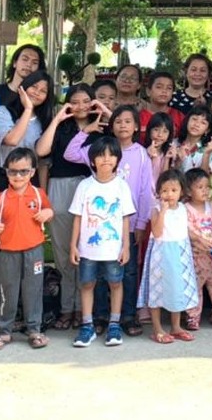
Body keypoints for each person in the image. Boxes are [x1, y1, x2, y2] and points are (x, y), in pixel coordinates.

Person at [0, 70, 53, 335]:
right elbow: (10, 140)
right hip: (1, 177)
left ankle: (28, 315)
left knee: (27, 250)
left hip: (28, 181)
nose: (36, 93)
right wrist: (26, 110)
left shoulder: (42, 120)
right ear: (23, 86)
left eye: (43, 90)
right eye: (33, 87)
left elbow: (41, 155)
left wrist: (39, 192)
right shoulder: (3, 112)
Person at [35, 83, 96, 331]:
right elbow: (41, 151)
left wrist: (101, 112)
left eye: (86, 101)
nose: (80, 106)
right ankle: (66, 307)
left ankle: (84, 309)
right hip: (59, 189)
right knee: (62, 252)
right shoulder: (60, 126)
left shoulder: (101, 127)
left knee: (86, 251)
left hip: (89, 190)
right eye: (75, 101)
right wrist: (59, 117)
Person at [69, 135, 137, 348]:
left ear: (117, 159)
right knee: (87, 284)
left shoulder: (121, 186)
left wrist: (126, 246)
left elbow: (126, 218)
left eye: (111, 155)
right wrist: (73, 244)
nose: (106, 159)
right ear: (92, 160)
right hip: (88, 249)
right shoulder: (84, 186)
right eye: (101, 155)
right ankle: (87, 325)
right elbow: (78, 217)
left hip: (113, 249)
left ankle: (114, 324)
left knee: (116, 283)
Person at [0, 148, 53, 350]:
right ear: (6, 172)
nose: (18, 176)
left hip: (34, 250)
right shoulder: (1, 197)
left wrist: (47, 212)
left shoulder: (39, 195)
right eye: (13, 171)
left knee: (33, 289)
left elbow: (49, 210)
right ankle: (5, 331)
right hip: (7, 251)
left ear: (32, 172)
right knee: (8, 290)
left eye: (23, 171)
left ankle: (34, 329)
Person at [140, 169, 200, 344]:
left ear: (181, 191)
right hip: (162, 254)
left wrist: (201, 239)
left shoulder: (183, 208)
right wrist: (163, 212)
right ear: (159, 192)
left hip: (180, 253)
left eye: (174, 190)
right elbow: (157, 232)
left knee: (177, 288)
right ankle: (157, 328)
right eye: (164, 190)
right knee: (157, 290)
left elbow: (186, 229)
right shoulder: (156, 210)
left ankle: (175, 326)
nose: (169, 194)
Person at [183, 168, 212, 330]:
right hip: (195, 257)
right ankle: (192, 316)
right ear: (189, 190)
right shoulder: (185, 209)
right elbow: (187, 230)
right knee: (194, 287)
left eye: (207, 186)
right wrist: (200, 240)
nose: (205, 190)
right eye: (200, 187)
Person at [139, 71, 184, 140]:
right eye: (159, 87)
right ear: (148, 91)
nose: (164, 91)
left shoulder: (179, 116)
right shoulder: (138, 117)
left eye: (169, 88)